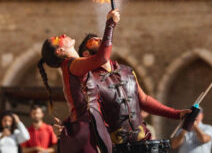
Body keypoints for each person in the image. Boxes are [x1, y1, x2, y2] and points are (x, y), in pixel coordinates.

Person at [75, 33, 191, 152]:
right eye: (93, 41)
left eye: (101, 39)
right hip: (118, 147)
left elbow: (144, 100)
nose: (101, 41)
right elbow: (87, 116)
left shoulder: (127, 71)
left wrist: (177, 114)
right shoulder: (89, 80)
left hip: (145, 142)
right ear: (86, 54)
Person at [38, 9, 120, 153]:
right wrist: (110, 25)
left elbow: (80, 106)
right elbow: (102, 57)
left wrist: (66, 125)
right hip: (85, 135)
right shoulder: (73, 65)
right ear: (60, 51)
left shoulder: (70, 67)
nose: (63, 35)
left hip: (82, 133)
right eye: (58, 39)